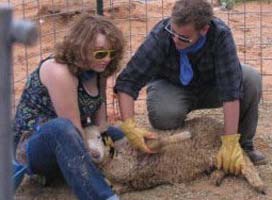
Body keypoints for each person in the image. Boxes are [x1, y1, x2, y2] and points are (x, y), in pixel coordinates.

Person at [115, 0, 266, 176]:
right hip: (172, 85)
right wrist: (129, 126)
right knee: (164, 115)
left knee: (251, 80)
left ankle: (243, 147)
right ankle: (180, 147)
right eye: (173, 32)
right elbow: (127, 81)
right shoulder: (162, 34)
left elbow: (230, 89)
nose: (175, 39)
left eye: (184, 37)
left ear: (204, 30)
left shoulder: (220, 35)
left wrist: (230, 141)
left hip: (211, 85)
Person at [13, 14, 125, 200]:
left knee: (120, 136)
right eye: (100, 53)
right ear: (81, 49)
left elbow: (101, 123)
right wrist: (97, 161)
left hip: (73, 137)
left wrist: (110, 148)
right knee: (62, 128)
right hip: (35, 145)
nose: (106, 59)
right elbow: (72, 128)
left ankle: (128, 174)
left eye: (111, 53)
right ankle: (102, 196)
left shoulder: (99, 70)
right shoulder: (60, 71)